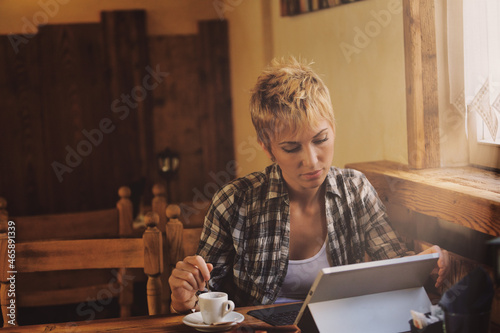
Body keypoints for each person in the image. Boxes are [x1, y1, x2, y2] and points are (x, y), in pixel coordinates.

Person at [168, 57, 450, 313]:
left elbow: (394, 266)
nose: (312, 160)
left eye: (320, 139)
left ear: (334, 129)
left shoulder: (355, 190)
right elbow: (202, 297)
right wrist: (184, 298)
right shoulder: (235, 201)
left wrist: (423, 263)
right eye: (291, 148)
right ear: (267, 148)